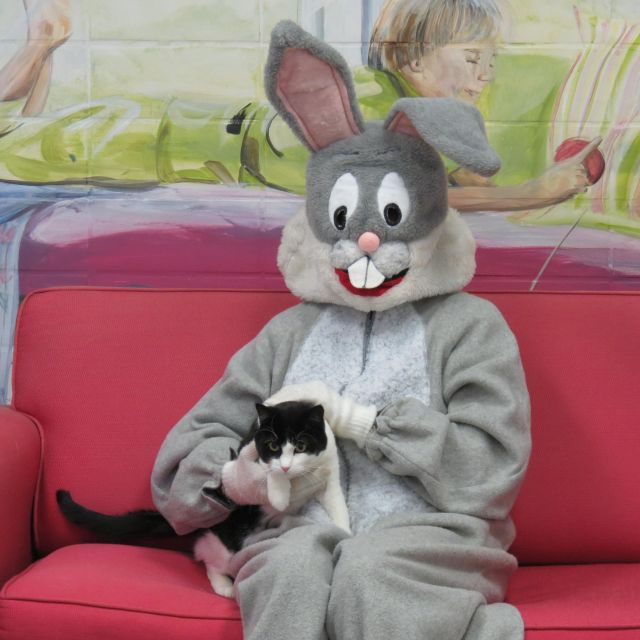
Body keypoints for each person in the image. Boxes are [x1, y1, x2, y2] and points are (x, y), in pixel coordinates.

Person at [151, 19, 531, 640]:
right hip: (297, 529)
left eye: (388, 218)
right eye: (344, 221)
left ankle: (465, 618)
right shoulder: (287, 333)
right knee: (296, 566)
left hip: (432, 543)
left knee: (370, 567)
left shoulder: (472, 328)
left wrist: (364, 424)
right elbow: (191, 456)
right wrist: (233, 477)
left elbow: (489, 472)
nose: (366, 240)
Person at [0, 0, 600, 215]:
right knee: (13, 141)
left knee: (20, 133)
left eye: (490, 60)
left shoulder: (401, 107)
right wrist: (529, 194)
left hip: (165, 124)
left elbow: (444, 170)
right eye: (473, 57)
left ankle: (41, 50)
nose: (485, 74)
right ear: (414, 59)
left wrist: (535, 181)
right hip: (148, 136)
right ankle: (39, 48)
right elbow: (405, 194)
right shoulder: (369, 105)